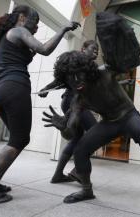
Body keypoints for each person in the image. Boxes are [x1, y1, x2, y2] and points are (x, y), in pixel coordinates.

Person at [42, 51, 140, 217]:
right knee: (80, 150)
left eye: (79, 74)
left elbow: (133, 60)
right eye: (70, 78)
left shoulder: (105, 72)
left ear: (87, 70)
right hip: (109, 123)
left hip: (128, 115)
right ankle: (86, 190)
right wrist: (63, 127)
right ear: (64, 80)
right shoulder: (78, 100)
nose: (76, 80)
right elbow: (69, 135)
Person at [0, 5, 80, 207]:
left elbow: (31, 53)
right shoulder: (19, 30)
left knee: (16, 139)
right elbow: (45, 50)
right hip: (15, 87)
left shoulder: (9, 36)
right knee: (19, 139)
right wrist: (64, 29)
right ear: (22, 17)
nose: (37, 27)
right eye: (35, 22)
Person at [38, 40, 98, 183]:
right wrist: (46, 88)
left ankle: (58, 175)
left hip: (78, 103)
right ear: (83, 48)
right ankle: (78, 170)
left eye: (98, 50)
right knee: (96, 131)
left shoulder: (90, 67)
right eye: (93, 48)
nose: (96, 52)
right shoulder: (74, 61)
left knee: (76, 138)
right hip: (72, 102)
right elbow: (60, 79)